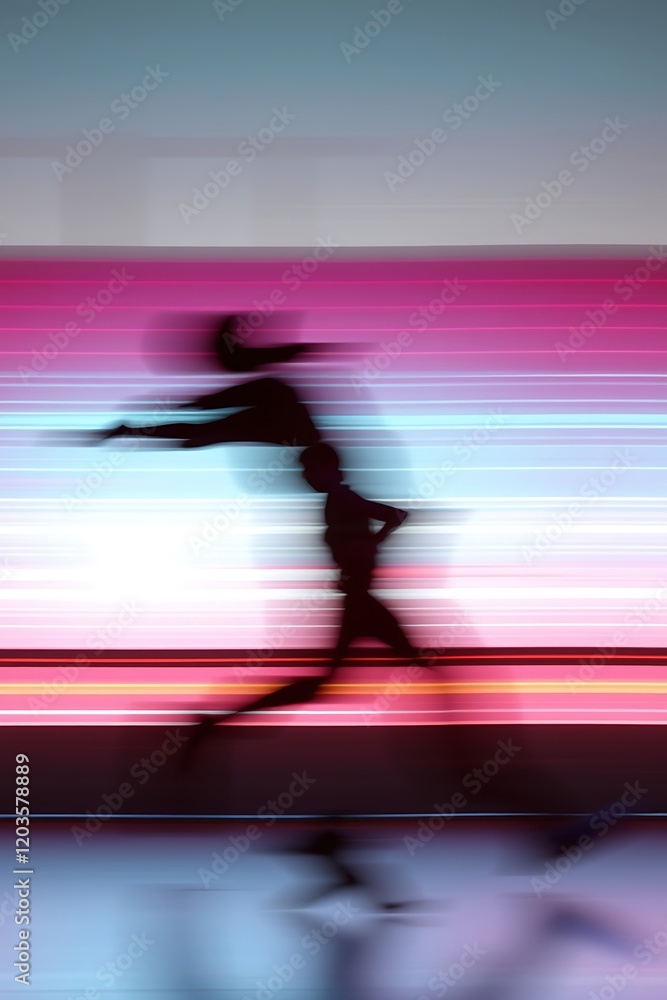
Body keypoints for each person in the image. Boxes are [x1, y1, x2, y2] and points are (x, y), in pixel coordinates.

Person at [188, 443, 429, 748]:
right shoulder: (336, 501)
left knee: (331, 683)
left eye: (310, 469)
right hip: (359, 604)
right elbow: (391, 519)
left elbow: (396, 515)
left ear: (329, 469)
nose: (305, 476)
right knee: (420, 666)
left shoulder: (341, 498)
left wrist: (369, 546)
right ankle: (215, 723)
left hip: (359, 603)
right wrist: (365, 550)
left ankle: (215, 723)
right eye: (305, 470)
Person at [96, 313, 320, 449]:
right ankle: (131, 429)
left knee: (204, 423)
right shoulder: (292, 425)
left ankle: (131, 429)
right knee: (204, 422)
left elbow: (234, 430)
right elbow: (234, 428)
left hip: (277, 407)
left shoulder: (294, 429)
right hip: (276, 405)